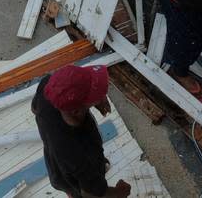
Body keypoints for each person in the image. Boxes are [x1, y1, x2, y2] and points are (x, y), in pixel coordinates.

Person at [32, 65, 131, 198]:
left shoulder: (48, 86)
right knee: (78, 191)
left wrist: (98, 98)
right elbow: (92, 192)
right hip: (72, 179)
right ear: (76, 111)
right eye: (93, 93)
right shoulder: (75, 156)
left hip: (56, 162)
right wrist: (120, 192)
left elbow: (34, 107)